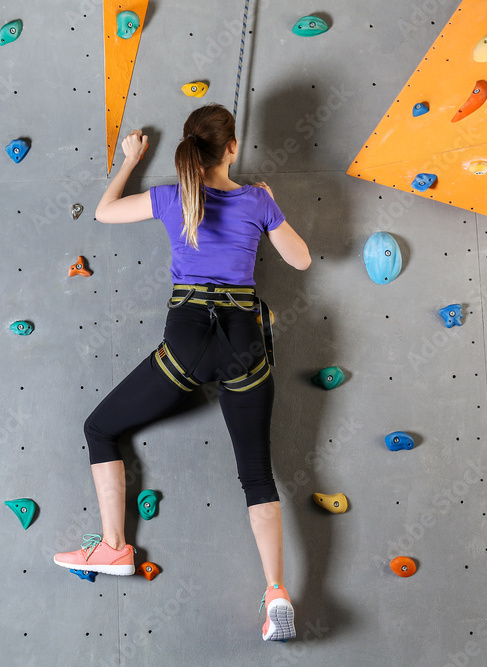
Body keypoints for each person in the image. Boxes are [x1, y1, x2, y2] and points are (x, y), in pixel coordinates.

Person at [53, 104, 311, 642]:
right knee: (258, 477)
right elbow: (302, 261)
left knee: (101, 429)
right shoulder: (256, 200)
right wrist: (269, 203)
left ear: (191, 149)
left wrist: (130, 161)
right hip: (245, 344)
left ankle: (115, 546)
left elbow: (104, 212)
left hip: (188, 343)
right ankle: (276, 592)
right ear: (232, 149)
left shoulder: (173, 198)